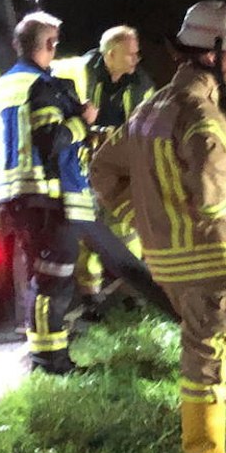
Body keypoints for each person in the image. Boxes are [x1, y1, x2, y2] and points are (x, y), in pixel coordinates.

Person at [90, 1, 226, 453]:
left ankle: (210, 437)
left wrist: (146, 220)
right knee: (207, 356)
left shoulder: (150, 108)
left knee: (205, 350)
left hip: (168, 263)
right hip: (211, 262)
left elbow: (102, 170)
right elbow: (210, 202)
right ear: (212, 51)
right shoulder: (202, 116)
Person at [0, 11, 92, 374]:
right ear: (49, 44)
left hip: (15, 195)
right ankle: (51, 361)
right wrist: (82, 123)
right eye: (54, 43)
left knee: (42, 275)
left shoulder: (2, 87)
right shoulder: (42, 86)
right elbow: (53, 140)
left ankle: (46, 356)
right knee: (55, 278)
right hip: (45, 196)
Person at [70, 25, 156, 309]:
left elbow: (147, 127)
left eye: (137, 54)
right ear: (110, 55)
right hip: (84, 165)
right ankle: (90, 294)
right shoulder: (80, 74)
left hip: (122, 166)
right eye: (130, 54)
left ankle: (132, 291)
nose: (136, 59)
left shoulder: (141, 84)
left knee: (127, 228)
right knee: (88, 228)